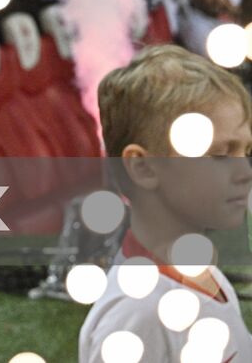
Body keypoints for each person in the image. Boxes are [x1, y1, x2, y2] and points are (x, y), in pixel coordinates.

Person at [78, 45, 252, 362]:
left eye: (246, 151)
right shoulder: (138, 316)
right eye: (220, 154)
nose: (244, 171)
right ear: (143, 167)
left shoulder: (198, 272)